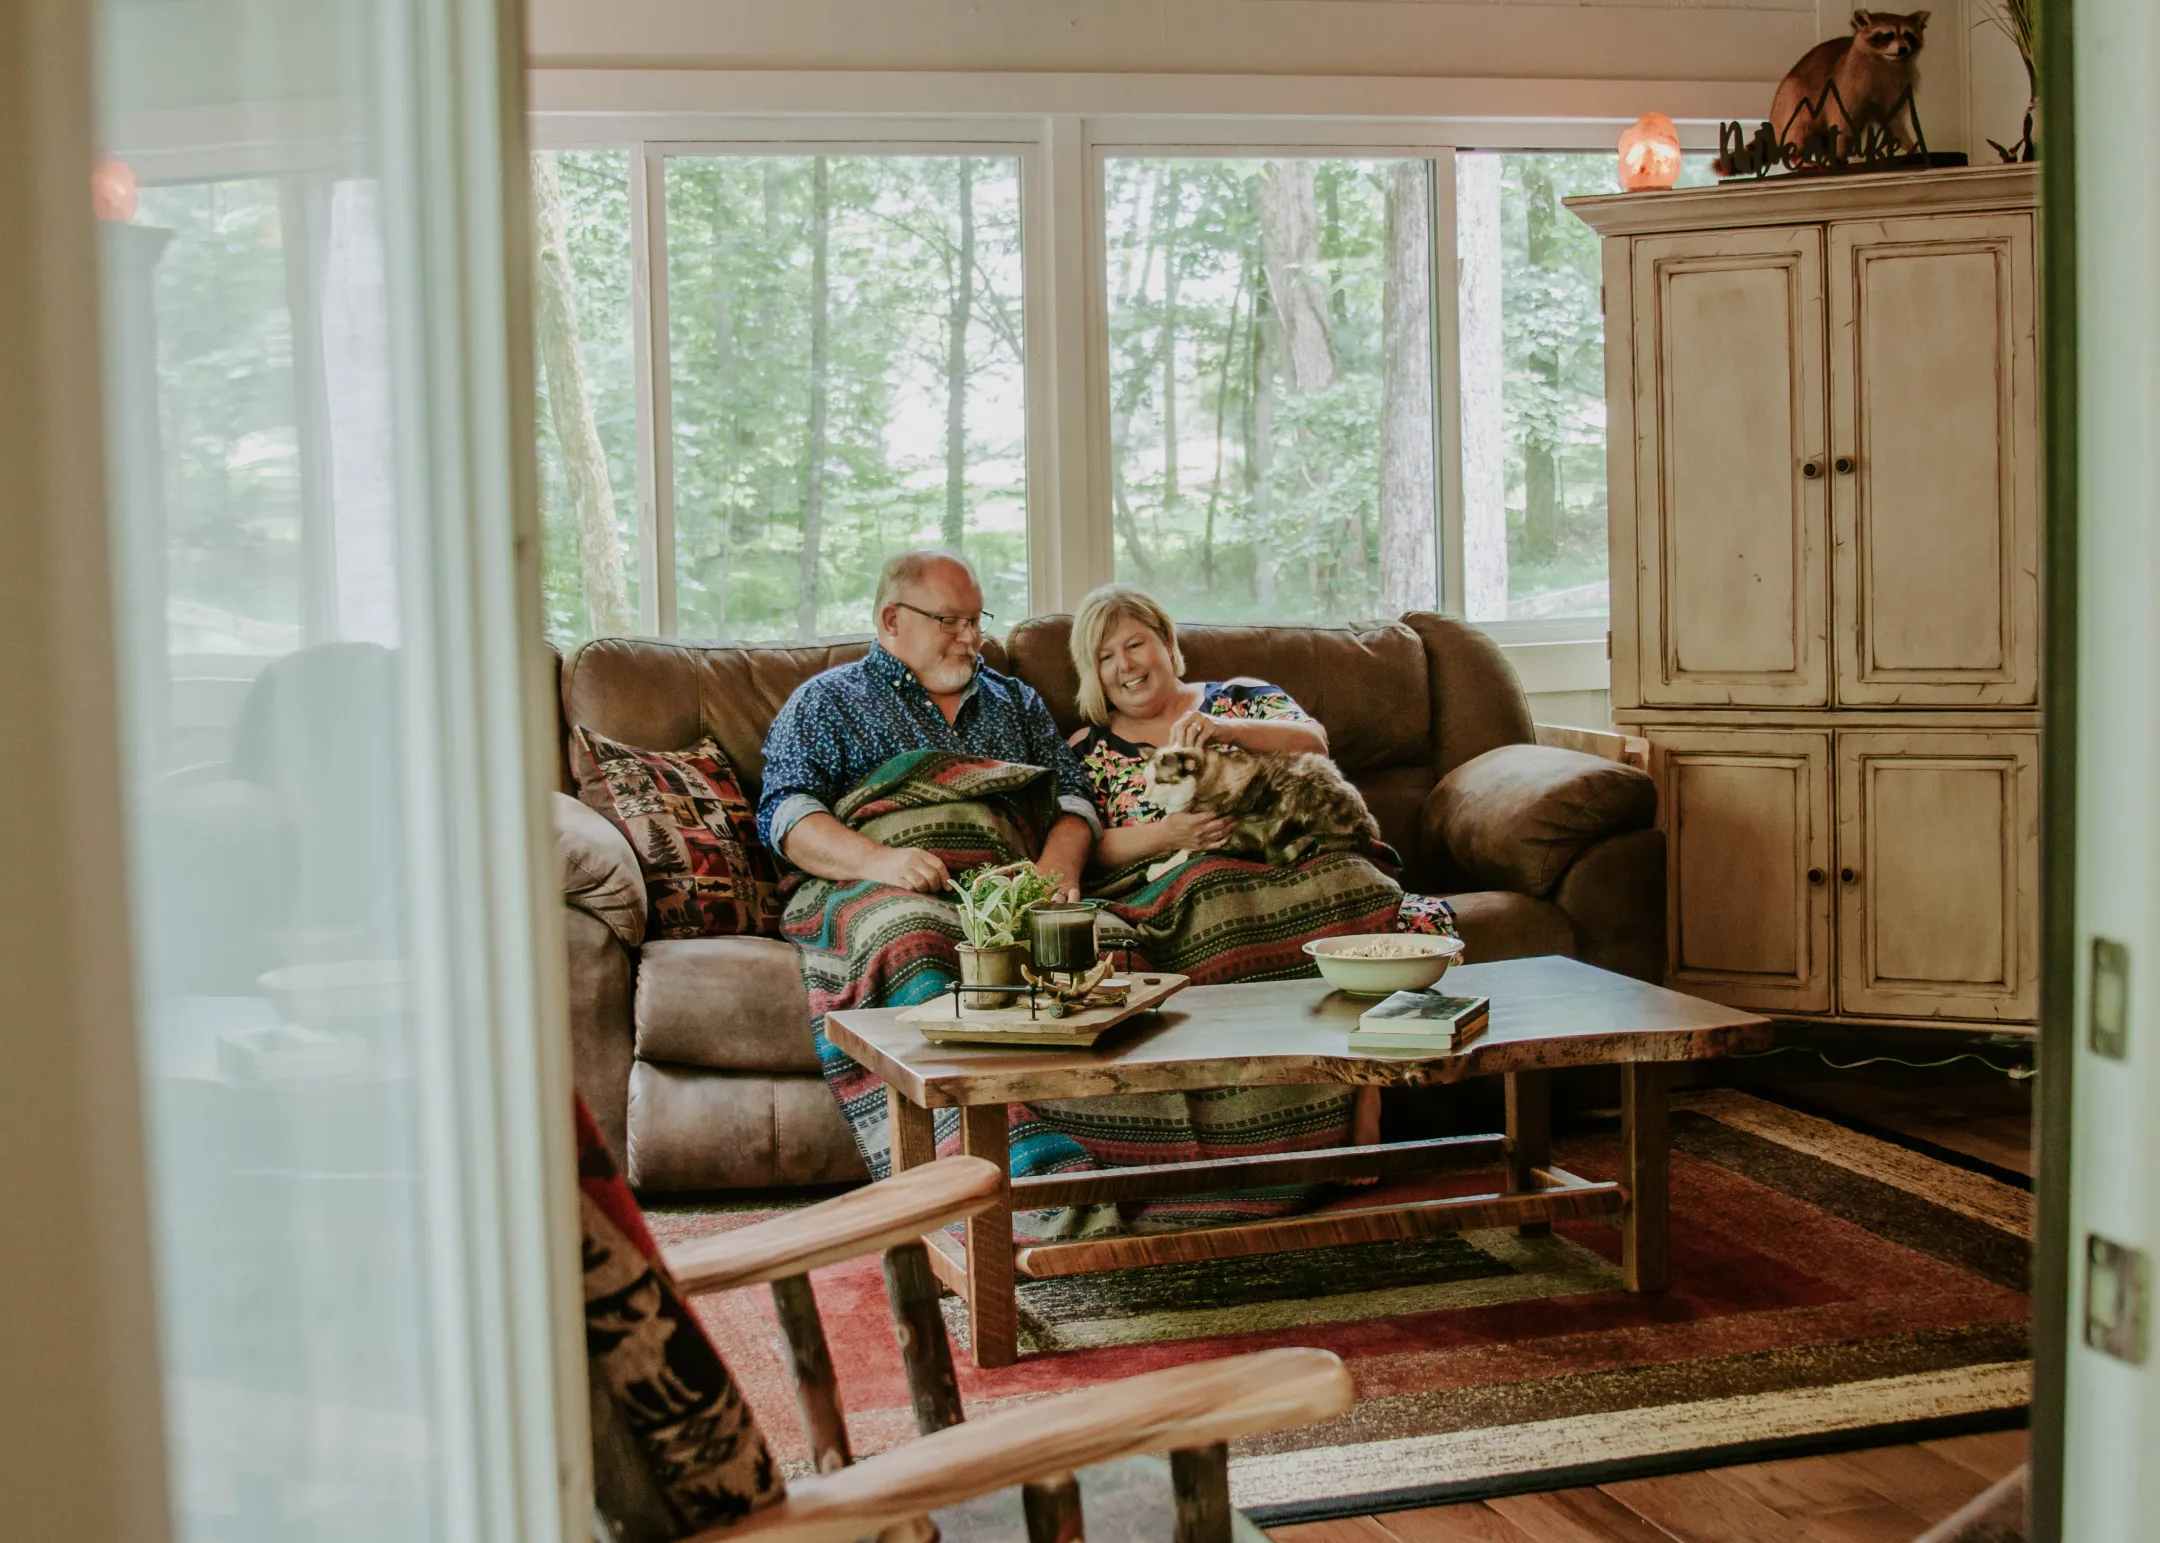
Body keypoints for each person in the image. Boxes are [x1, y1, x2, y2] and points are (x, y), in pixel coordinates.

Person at [756, 550, 1097, 897]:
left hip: (1014, 890)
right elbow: (786, 812)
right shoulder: (826, 701)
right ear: (892, 620)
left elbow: (1072, 796)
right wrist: (878, 861)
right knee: (916, 941)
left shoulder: (1016, 701)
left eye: (975, 620)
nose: (970, 638)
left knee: (1108, 939)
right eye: (949, 620)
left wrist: (1058, 868)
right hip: (887, 893)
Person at [1066, 584, 1329, 869]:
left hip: (1295, 856)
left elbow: (1316, 745)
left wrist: (1230, 729)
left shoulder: (1239, 696)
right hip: (1188, 883)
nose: (1125, 665)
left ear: (1166, 642)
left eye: (1134, 646)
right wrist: (1166, 836)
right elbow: (1077, 848)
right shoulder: (1089, 750)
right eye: (1106, 657)